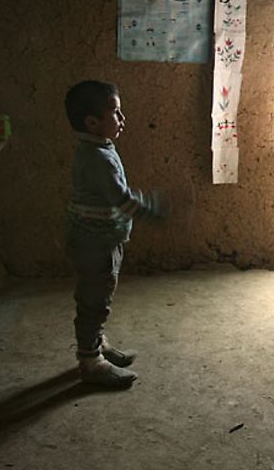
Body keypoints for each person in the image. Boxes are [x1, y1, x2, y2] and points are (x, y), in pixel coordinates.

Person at [64, 80, 169, 388]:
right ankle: (91, 361)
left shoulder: (97, 147)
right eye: (116, 113)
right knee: (94, 299)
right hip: (96, 243)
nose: (122, 120)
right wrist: (152, 209)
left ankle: (96, 344)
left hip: (97, 238)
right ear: (92, 122)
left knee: (97, 294)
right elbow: (122, 200)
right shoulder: (98, 158)